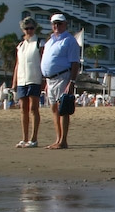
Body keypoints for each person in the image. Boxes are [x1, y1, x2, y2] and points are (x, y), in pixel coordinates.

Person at [40, 13, 81, 149]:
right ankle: (58, 138)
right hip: (50, 79)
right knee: (54, 109)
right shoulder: (49, 41)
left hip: (63, 77)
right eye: (54, 24)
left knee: (62, 108)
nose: (56, 26)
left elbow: (75, 63)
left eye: (59, 23)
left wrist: (72, 81)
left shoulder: (69, 41)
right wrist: (46, 80)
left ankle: (63, 140)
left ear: (65, 24)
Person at [12, 17, 45, 147]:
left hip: (34, 78)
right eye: (26, 28)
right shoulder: (21, 46)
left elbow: (43, 61)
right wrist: (14, 81)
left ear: (35, 28)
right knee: (23, 109)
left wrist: (43, 79)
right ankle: (24, 138)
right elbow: (17, 64)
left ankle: (33, 138)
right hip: (22, 80)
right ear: (23, 30)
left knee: (33, 108)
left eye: (31, 28)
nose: (29, 31)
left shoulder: (39, 43)